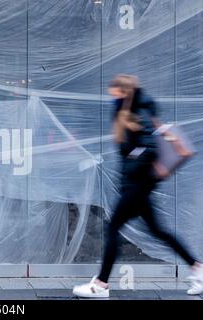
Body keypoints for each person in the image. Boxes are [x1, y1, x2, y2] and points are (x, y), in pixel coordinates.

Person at [73, 74, 203, 298]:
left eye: (114, 93)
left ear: (124, 93)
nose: (111, 98)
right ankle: (197, 268)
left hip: (138, 184)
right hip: (138, 185)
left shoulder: (137, 114)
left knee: (113, 229)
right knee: (157, 231)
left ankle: (101, 284)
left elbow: (148, 147)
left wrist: (135, 168)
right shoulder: (128, 113)